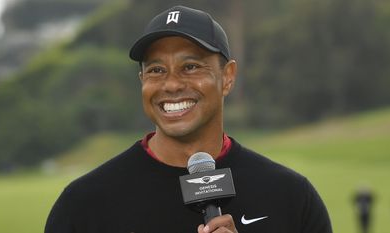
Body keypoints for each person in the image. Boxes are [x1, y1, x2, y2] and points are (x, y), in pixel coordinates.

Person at [45, 5, 332, 233]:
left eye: (190, 66)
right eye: (156, 70)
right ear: (141, 80)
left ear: (227, 77)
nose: (171, 85)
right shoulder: (84, 204)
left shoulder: (291, 197)